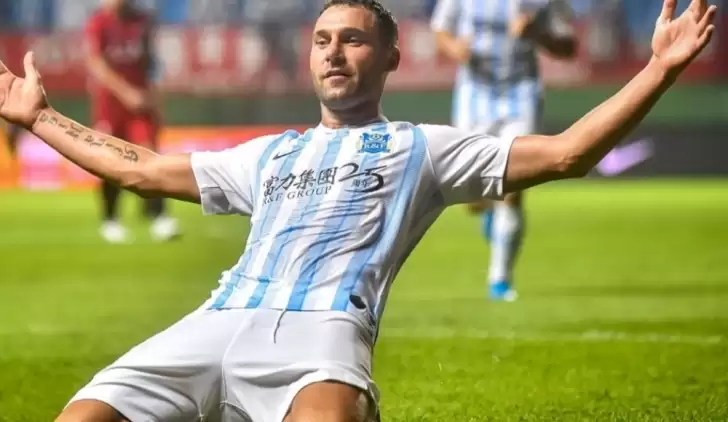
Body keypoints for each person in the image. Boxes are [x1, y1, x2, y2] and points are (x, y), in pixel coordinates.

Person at [0, 0, 716, 420]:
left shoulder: (424, 148)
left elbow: (566, 153)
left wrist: (659, 69)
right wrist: (39, 117)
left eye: (352, 39)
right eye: (321, 41)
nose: (333, 53)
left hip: (322, 337)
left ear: (391, 58)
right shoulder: (269, 154)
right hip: (214, 319)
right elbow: (145, 170)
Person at [431, 0, 578, 301]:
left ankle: (500, 280)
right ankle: (487, 210)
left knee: (512, 186)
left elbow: (568, 47)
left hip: (521, 94)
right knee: (472, 196)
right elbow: (440, 31)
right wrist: (457, 49)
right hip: (474, 96)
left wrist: (537, 33)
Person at [85, 0, 180, 243]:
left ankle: (158, 214)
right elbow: (96, 63)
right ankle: (110, 219)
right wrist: (125, 91)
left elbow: (151, 60)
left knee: (150, 153)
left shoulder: (142, 20)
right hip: (111, 102)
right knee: (110, 159)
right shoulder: (99, 23)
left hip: (140, 100)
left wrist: (155, 96)